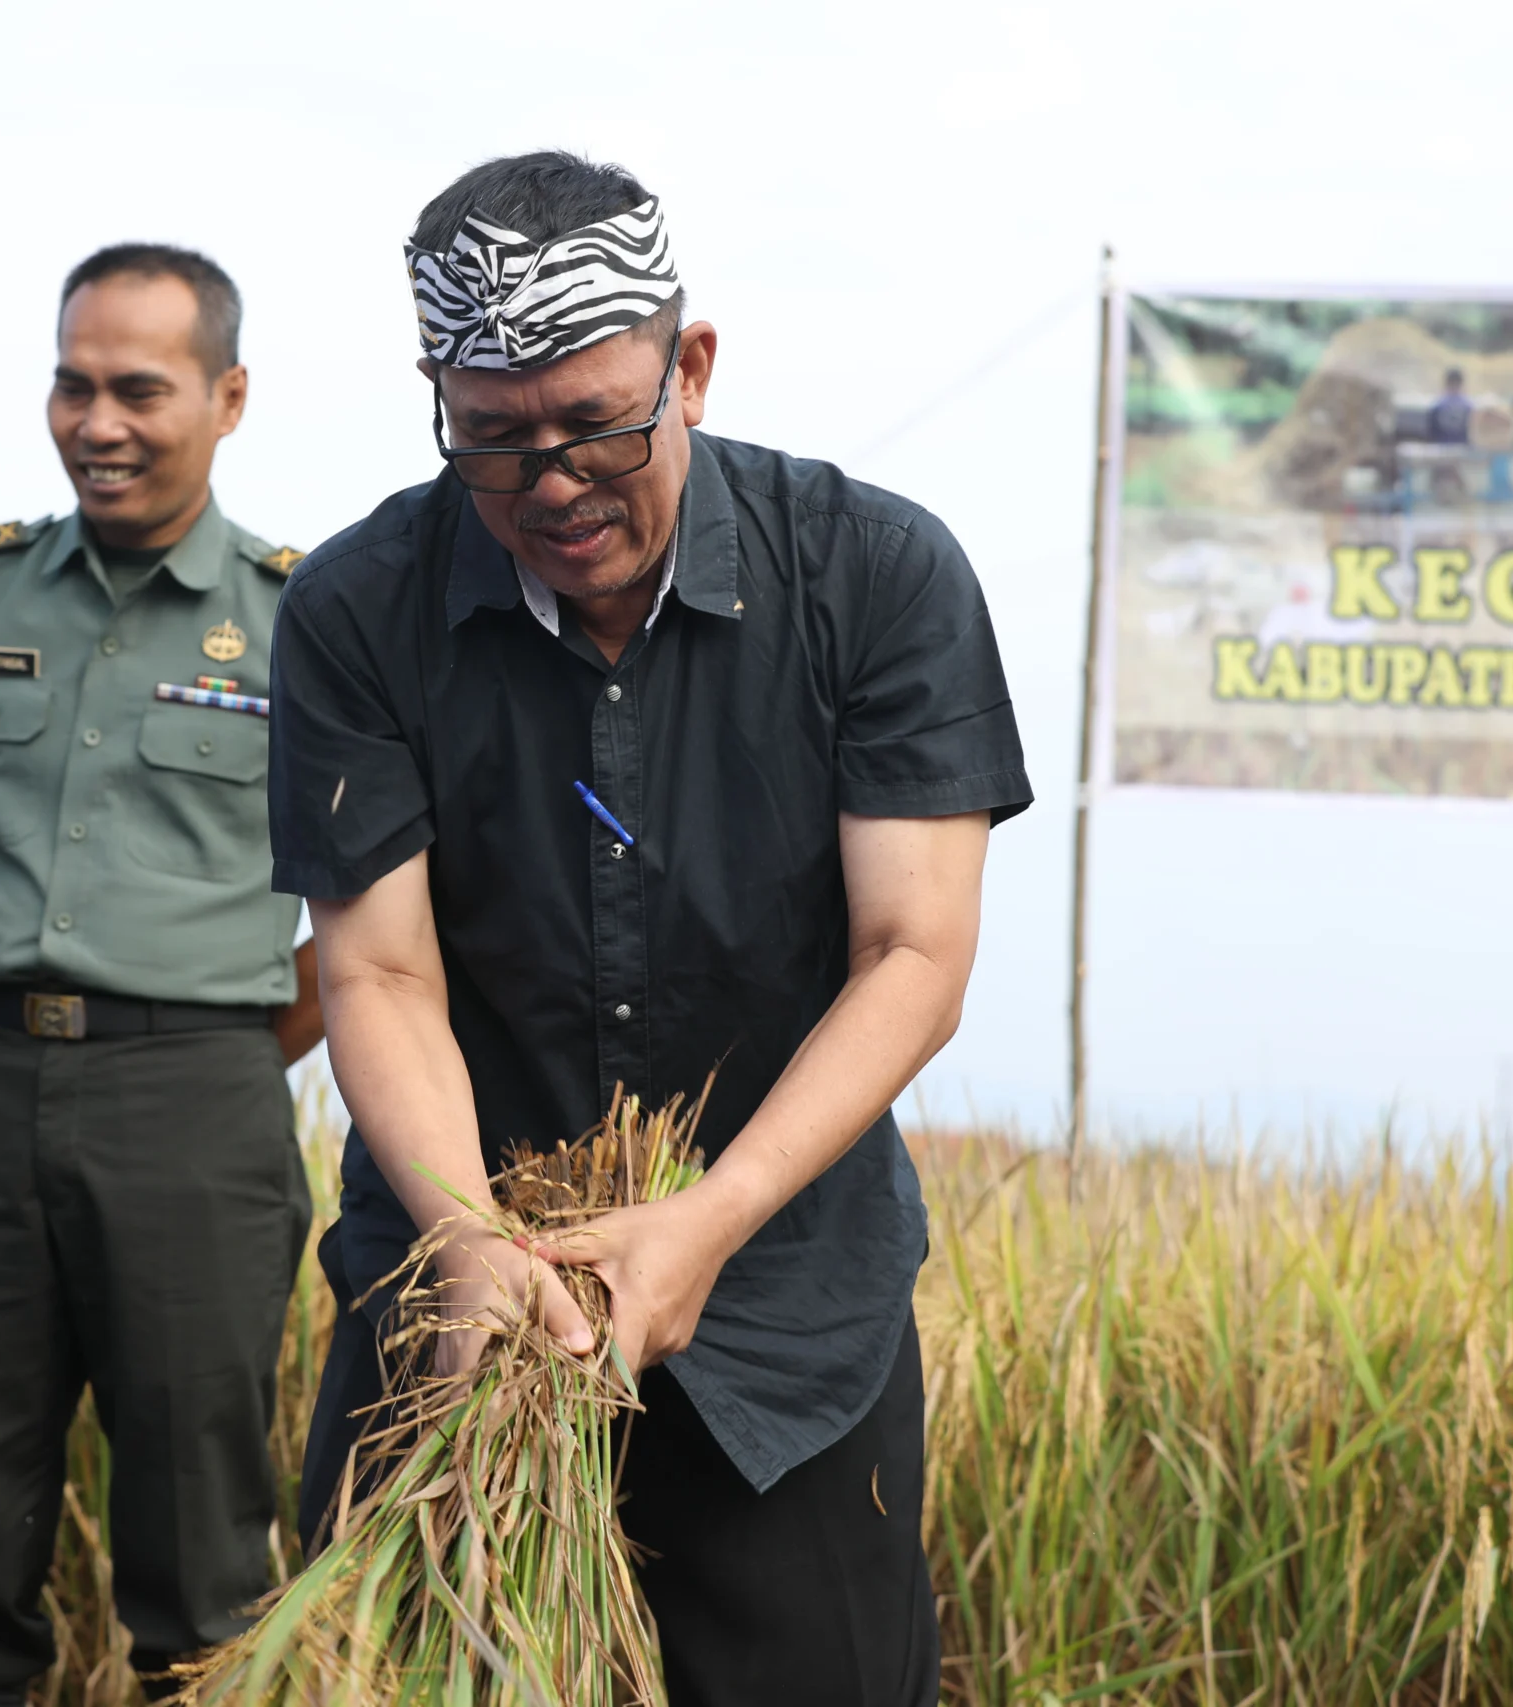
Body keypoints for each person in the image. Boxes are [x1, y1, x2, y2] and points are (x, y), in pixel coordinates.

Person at [271, 152, 1032, 1706]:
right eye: (493, 441)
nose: (552, 483)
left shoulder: (876, 576)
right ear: (437, 397)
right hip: (467, 1301)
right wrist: (472, 1240)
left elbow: (914, 954)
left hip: (784, 1315)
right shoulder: (360, 605)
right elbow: (380, 965)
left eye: (598, 425)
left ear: (690, 365)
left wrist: (708, 1219)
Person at [0, 244, 321, 1705]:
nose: (98, 420)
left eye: (140, 387)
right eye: (74, 383)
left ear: (229, 396)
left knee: (200, 1563)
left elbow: (380, 913)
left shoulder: (304, 627)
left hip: (197, 1097)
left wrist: (217, 1049)